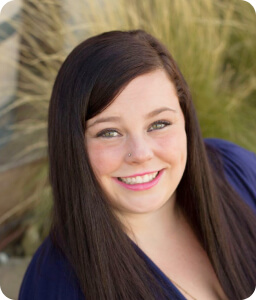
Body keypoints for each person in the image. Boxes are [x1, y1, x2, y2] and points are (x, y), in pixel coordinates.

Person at [18, 30, 256, 300]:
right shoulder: (53, 285)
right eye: (109, 132)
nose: (140, 154)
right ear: (72, 145)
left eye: (159, 124)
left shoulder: (237, 168)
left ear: (185, 119)